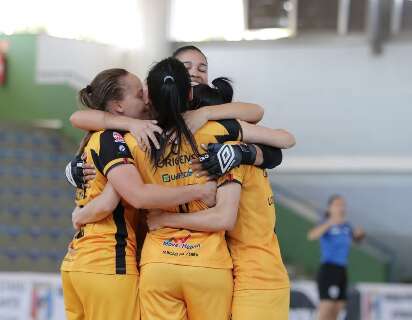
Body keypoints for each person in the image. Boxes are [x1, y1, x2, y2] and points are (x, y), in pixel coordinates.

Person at [69, 58, 295, 320]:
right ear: (187, 94)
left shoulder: (135, 140)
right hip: (217, 266)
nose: (196, 73)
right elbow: (281, 138)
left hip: (158, 264)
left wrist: (82, 210)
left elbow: (84, 123)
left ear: (152, 97)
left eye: (201, 67)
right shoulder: (221, 135)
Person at [60, 68, 218, 320]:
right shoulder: (113, 139)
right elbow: (137, 196)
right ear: (118, 106)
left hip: (80, 262)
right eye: (138, 94)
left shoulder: (98, 138)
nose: (146, 100)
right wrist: (199, 190)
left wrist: (81, 213)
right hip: (107, 261)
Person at [146, 79, 292, 320]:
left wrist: (165, 218)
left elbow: (222, 217)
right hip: (251, 272)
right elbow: (282, 141)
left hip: (257, 278)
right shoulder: (240, 151)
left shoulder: (230, 153)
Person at [307, 195, 365, 320]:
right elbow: (312, 236)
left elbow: (355, 240)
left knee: (338, 309)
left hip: (342, 270)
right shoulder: (325, 223)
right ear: (330, 208)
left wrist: (359, 235)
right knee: (326, 308)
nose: (341, 208)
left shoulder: (346, 226)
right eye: (337, 205)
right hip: (328, 269)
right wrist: (330, 223)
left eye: (343, 205)